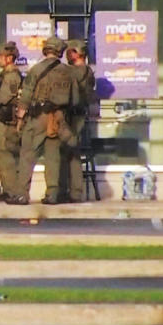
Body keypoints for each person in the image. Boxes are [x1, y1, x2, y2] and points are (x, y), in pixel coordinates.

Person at [6, 36, 79, 205]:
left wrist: (19, 119)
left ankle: (21, 194)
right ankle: (52, 194)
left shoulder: (36, 70)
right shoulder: (69, 72)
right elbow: (75, 100)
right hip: (58, 118)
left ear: (46, 49)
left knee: (27, 155)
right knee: (53, 157)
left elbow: (25, 96)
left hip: (38, 116)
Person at [61, 38, 97, 203]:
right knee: (72, 153)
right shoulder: (88, 71)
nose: (67, 54)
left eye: (69, 51)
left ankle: (71, 191)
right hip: (78, 114)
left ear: (76, 52)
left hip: (73, 115)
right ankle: (73, 191)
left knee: (68, 152)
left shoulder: (78, 71)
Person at [0, 41, 23, 201]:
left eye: (1, 56)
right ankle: (8, 189)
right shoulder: (5, 75)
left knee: (4, 154)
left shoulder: (11, 76)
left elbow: (3, 98)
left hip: (6, 119)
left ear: (10, 58)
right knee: (1, 154)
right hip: (3, 118)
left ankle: (11, 190)